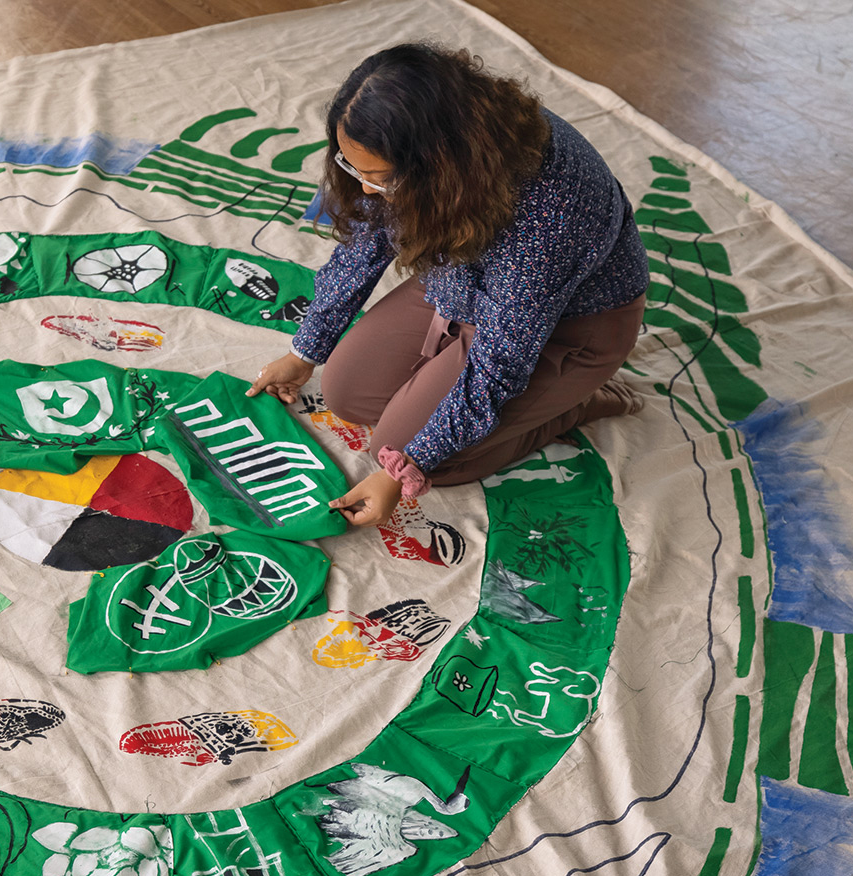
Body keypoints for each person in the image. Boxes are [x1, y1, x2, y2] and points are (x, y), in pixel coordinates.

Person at [246, 42, 649, 527]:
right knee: (346, 395)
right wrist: (304, 352)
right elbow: (364, 245)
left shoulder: (549, 213)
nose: (367, 189)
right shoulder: (438, 155)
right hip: (461, 283)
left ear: (441, 165)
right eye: (355, 169)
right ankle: (454, 391)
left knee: (403, 451)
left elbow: (500, 364)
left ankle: (575, 401)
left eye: (379, 178)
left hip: (564, 328)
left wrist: (401, 474)